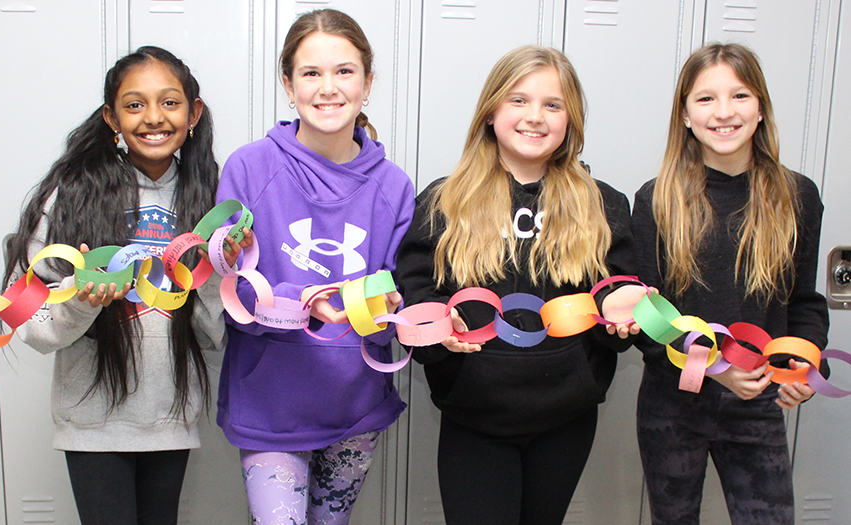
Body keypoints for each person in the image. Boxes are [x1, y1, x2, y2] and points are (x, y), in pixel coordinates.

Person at [395, 45, 644, 525]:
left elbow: (615, 284)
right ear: (490, 112)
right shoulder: (446, 202)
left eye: (553, 104)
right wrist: (435, 329)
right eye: (518, 100)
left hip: (564, 417)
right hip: (476, 417)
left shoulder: (602, 204)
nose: (536, 117)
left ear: (570, 118)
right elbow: (418, 287)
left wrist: (621, 308)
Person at [3, 46, 240, 525]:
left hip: (170, 421)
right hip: (92, 423)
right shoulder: (70, 195)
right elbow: (22, 316)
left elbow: (220, 335)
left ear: (193, 112)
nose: (153, 117)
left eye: (169, 102)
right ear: (111, 117)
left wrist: (214, 271)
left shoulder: (210, 198)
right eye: (134, 105)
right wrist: (81, 305)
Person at [214, 8, 415, 524]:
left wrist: (391, 302)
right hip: (270, 403)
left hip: (355, 404)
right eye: (311, 73)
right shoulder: (250, 167)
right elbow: (234, 287)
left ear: (368, 82)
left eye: (345, 71)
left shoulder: (393, 186)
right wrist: (307, 300)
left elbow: (396, 285)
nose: (329, 87)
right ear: (288, 84)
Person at [632, 42, 829, 525]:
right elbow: (648, 313)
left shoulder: (796, 196)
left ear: (760, 108)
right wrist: (715, 368)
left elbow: (804, 300)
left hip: (757, 401)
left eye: (740, 96)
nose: (724, 112)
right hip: (674, 405)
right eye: (705, 99)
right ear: (684, 115)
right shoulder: (657, 199)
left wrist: (802, 363)